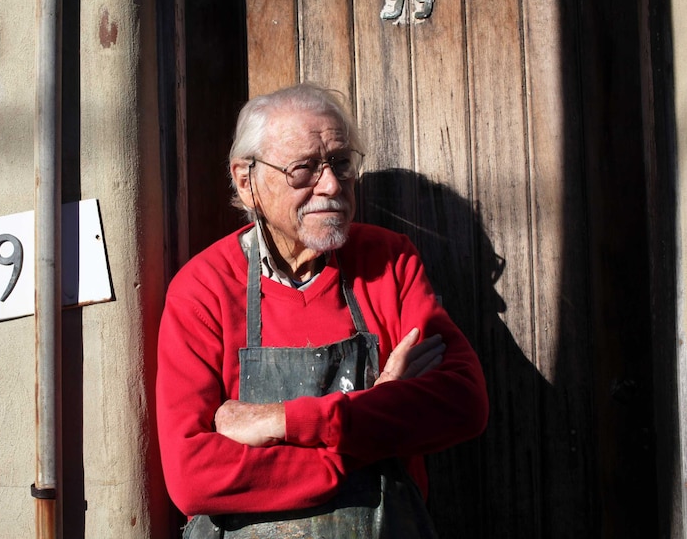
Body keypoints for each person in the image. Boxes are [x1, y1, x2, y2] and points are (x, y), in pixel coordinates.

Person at [156, 84, 488, 538]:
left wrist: (281, 421)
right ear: (245, 180)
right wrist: (368, 427)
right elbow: (194, 476)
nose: (331, 185)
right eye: (304, 169)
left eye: (341, 163)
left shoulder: (389, 261)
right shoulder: (202, 290)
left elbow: (463, 401)